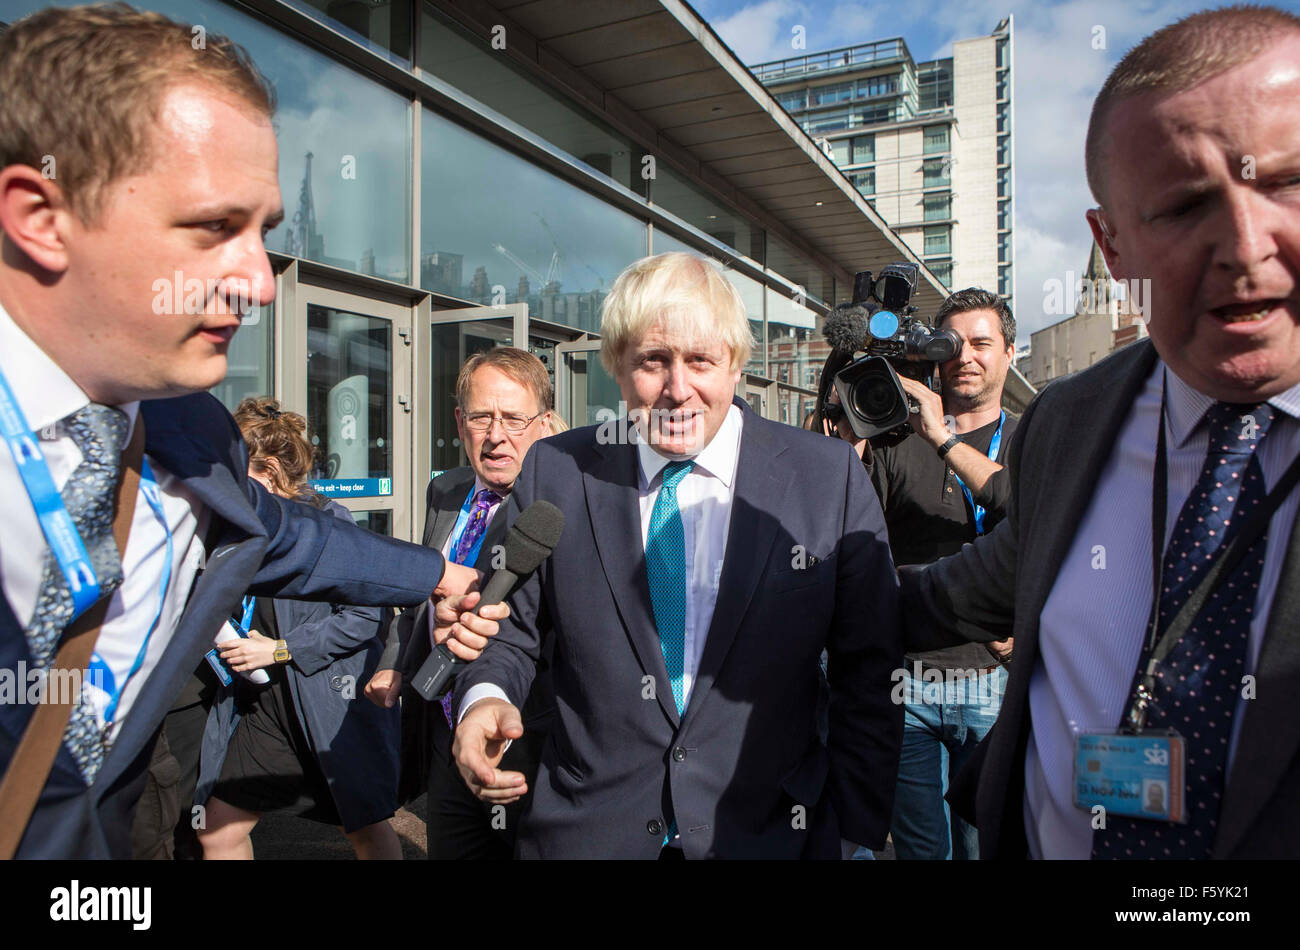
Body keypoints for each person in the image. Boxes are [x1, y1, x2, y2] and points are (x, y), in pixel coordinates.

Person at [0, 4, 490, 859]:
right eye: (212, 229)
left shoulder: (190, 429)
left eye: (262, 232)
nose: (260, 285)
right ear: (42, 216)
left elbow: (283, 536)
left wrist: (435, 572)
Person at [900, 5, 1300, 859]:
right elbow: (961, 587)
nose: (1243, 242)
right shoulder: (1071, 422)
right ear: (1111, 248)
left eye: (1288, 181)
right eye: (1186, 204)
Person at [444, 251, 904, 859]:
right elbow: (506, 628)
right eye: (653, 362)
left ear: (735, 363)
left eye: (700, 361)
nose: (677, 389)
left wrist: (852, 831)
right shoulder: (556, 472)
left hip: (773, 833)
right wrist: (485, 701)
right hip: (590, 834)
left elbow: (870, 667)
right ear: (616, 365)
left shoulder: (827, 476)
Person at [821, 289, 1018, 860]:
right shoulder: (892, 437)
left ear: (1009, 352)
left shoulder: (1033, 435)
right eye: (952, 344)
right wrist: (847, 431)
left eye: (982, 343)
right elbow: (848, 534)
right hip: (907, 683)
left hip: (994, 677)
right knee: (920, 849)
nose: (966, 357)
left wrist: (943, 436)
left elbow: (1020, 506)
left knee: (985, 843)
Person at [365, 348, 555, 859]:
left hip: (527, 740)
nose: (497, 436)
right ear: (459, 421)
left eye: (515, 418)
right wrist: (395, 664)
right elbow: (424, 595)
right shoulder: (444, 490)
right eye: (481, 417)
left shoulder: (560, 507)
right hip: (446, 732)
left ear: (545, 422)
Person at [195, 398, 402, 860]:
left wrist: (282, 650)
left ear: (269, 471)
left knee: (365, 828)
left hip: (330, 706)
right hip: (269, 708)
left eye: (232, 472)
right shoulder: (243, 527)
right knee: (216, 830)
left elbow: (366, 619)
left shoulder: (329, 524)